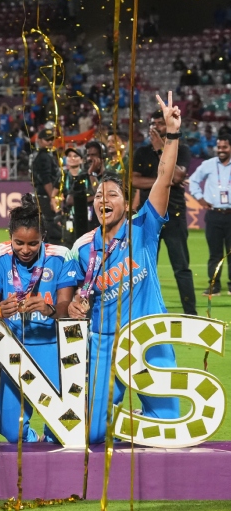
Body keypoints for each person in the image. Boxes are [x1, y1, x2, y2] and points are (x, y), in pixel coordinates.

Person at [71, 93, 184, 444]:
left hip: (149, 336)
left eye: (112, 195)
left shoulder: (143, 229)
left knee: (168, 427)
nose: (103, 200)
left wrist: (172, 135)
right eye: (98, 196)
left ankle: (136, 423)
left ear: (128, 201)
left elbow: (163, 178)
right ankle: (110, 417)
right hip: (105, 342)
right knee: (92, 432)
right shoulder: (82, 248)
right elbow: (73, 298)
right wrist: (73, 305)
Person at [0, 194, 81, 443]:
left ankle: (50, 443)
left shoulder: (62, 256)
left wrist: (49, 309)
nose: (25, 250)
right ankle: (33, 438)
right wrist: (0, 311)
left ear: (43, 237)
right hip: (12, 346)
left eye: (33, 244)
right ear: (10, 236)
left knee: (61, 428)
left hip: (52, 346)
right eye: (18, 243)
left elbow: (65, 307)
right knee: (11, 431)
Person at [132, 109, 196, 314]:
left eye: (160, 123)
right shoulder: (141, 152)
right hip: (148, 218)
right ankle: (145, 313)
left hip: (174, 217)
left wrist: (162, 148)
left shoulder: (182, 150)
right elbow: (134, 181)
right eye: (154, 123)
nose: (156, 127)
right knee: (144, 268)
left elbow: (177, 177)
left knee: (181, 267)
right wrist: (163, 182)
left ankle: (191, 314)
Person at [190, 134, 231, 296]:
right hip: (214, 214)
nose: (221, 150)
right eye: (219, 147)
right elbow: (193, 181)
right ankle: (214, 286)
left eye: (224, 147)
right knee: (215, 254)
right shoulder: (208, 164)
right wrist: (200, 198)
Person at [31, 124, 63, 245]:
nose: (50, 142)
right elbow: (46, 180)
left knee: (46, 228)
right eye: (47, 139)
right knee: (52, 229)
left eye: (51, 139)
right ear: (39, 141)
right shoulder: (44, 156)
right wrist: (52, 198)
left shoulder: (43, 155)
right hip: (46, 198)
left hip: (42, 197)